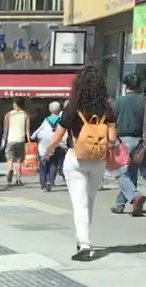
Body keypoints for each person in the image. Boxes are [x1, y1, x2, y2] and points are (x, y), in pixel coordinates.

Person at [43, 65, 116, 262]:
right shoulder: (107, 109)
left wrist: (48, 150)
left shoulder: (72, 107)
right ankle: (82, 238)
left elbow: (58, 135)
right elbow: (112, 137)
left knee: (79, 203)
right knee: (89, 201)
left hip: (76, 158)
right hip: (98, 161)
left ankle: (84, 245)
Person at [111, 72, 146, 216]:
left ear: (126, 86)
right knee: (130, 172)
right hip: (139, 141)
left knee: (119, 173)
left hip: (121, 140)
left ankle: (134, 197)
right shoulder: (145, 102)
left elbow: (111, 121)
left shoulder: (119, 101)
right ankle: (120, 204)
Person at [31, 101, 64, 191]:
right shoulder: (61, 120)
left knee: (43, 165)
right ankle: (50, 181)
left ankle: (43, 184)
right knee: (54, 162)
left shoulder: (46, 120)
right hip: (56, 143)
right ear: (59, 110)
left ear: (50, 110)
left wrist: (33, 136)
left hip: (44, 144)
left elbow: (39, 130)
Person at [3, 97, 30, 186]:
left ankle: (9, 171)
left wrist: (4, 139)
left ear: (15, 104)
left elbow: (6, 129)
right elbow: (27, 130)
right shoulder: (26, 115)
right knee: (19, 160)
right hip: (20, 139)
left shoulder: (8, 115)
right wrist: (29, 140)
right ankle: (18, 178)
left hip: (11, 139)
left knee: (9, 158)